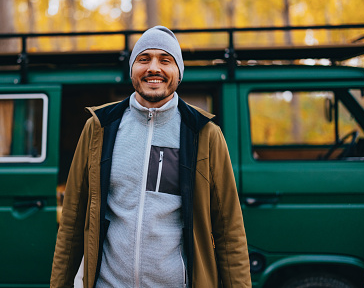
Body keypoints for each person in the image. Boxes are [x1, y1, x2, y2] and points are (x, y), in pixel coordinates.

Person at [50, 26, 251, 288]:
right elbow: (72, 222)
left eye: (165, 60)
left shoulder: (204, 134)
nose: (153, 68)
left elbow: (229, 230)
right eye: (144, 59)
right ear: (132, 69)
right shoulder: (99, 127)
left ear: (178, 72)